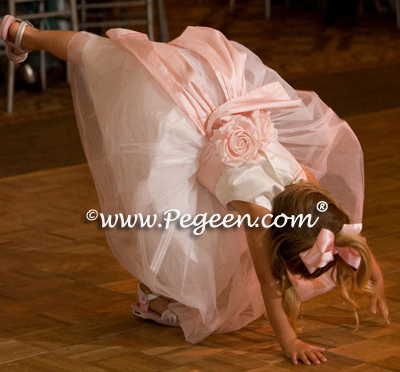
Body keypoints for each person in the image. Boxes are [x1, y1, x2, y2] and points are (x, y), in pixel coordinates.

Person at [1, 15, 390, 366]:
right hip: (181, 127)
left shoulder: (306, 183)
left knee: (104, 54)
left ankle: (25, 33)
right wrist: (290, 342)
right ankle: (153, 299)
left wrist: (375, 276)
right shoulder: (259, 218)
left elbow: (348, 237)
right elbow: (270, 285)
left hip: (212, 93)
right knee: (178, 238)